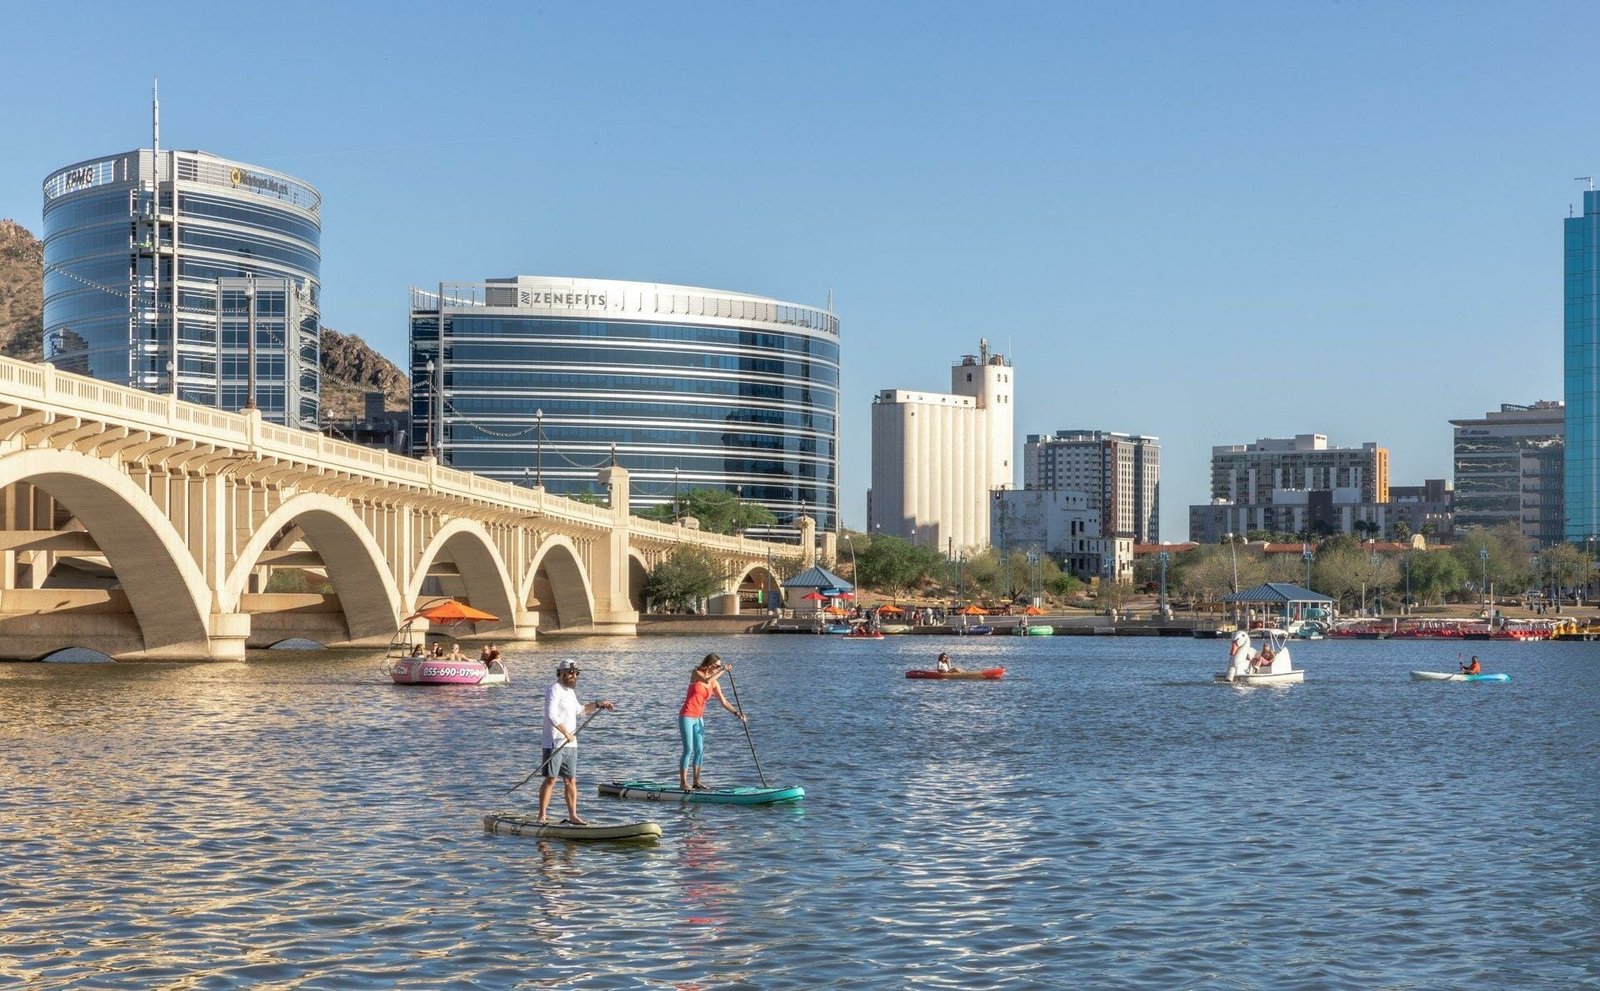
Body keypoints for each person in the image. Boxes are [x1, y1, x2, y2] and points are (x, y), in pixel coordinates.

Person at [538, 659, 615, 825]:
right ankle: (542, 816)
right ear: (561, 673)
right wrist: (566, 733)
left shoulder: (570, 692)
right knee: (551, 779)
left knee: (571, 780)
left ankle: (573, 815)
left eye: (576, 673)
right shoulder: (554, 690)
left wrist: (599, 703)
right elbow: (551, 715)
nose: (574, 675)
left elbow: (580, 710)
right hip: (554, 741)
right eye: (570, 672)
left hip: (570, 743)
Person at [678, 653, 745, 791]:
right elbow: (707, 680)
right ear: (710, 664)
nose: (718, 668)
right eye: (717, 666)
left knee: (700, 750)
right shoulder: (696, 673)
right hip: (686, 716)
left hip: (698, 718)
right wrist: (723, 670)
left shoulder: (715, 683)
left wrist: (737, 713)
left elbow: (723, 701)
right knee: (688, 749)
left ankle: (696, 782)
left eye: (720, 666)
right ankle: (683, 783)